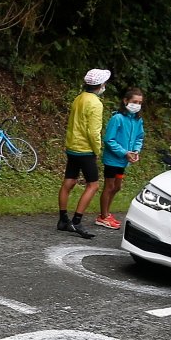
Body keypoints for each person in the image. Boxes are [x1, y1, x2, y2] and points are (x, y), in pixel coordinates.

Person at [58, 68, 110, 238]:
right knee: (93, 185)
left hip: (72, 147)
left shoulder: (78, 99)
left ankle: (63, 219)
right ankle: (77, 221)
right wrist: (97, 150)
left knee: (69, 182)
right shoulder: (95, 103)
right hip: (85, 149)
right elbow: (93, 132)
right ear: (100, 85)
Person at [96, 86, 145, 229]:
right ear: (125, 101)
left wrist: (135, 151)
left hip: (123, 161)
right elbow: (109, 140)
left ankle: (106, 212)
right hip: (113, 159)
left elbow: (139, 137)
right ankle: (103, 216)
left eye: (140, 102)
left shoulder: (138, 120)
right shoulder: (117, 118)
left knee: (117, 187)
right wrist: (124, 152)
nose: (137, 105)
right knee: (109, 186)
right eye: (134, 101)